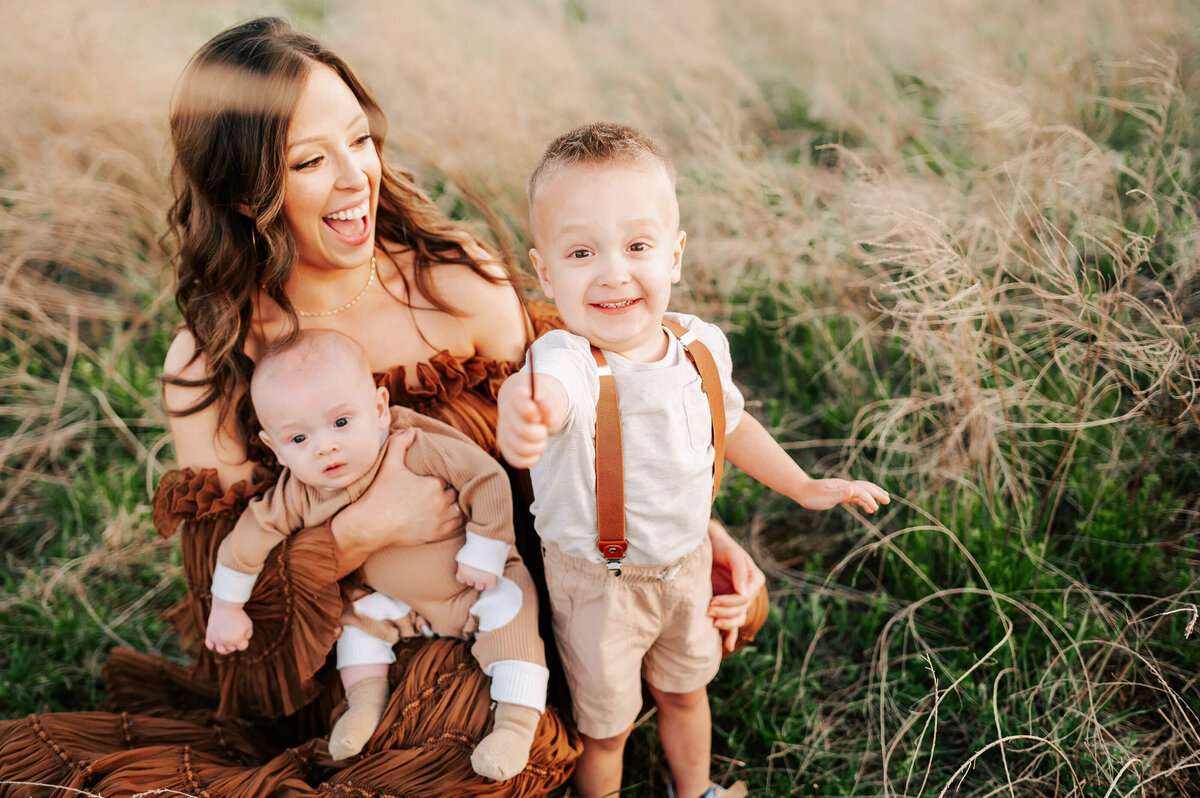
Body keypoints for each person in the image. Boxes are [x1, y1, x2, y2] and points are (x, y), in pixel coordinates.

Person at [0, 18, 764, 795]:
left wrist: (684, 527)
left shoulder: (456, 285)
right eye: (308, 161)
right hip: (348, 648)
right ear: (244, 192)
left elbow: (561, 440)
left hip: (509, 591)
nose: (353, 177)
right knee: (456, 749)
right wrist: (360, 532)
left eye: (359, 140)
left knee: (684, 619)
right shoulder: (213, 365)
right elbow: (242, 622)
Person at [496, 122, 891, 798]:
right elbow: (544, 396)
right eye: (583, 252)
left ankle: (695, 789)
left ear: (674, 256)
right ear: (545, 271)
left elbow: (730, 422)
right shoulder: (565, 360)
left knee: (686, 692)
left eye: (638, 246)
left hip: (684, 569)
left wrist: (801, 485)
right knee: (608, 729)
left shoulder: (701, 346)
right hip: (599, 586)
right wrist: (524, 415)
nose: (614, 271)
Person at [205, 329, 548, 777]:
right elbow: (248, 537)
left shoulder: (412, 445)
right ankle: (364, 705)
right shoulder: (297, 493)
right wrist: (227, 605)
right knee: (357, 624)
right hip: (395, 602)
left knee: (514, 620)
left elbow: (485, 478)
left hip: (475, 585)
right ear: (274, 448)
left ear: (380, 409)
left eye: (341, 423)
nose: (325, 446)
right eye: (298, 439)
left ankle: (514, 728)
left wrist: (484, 551)